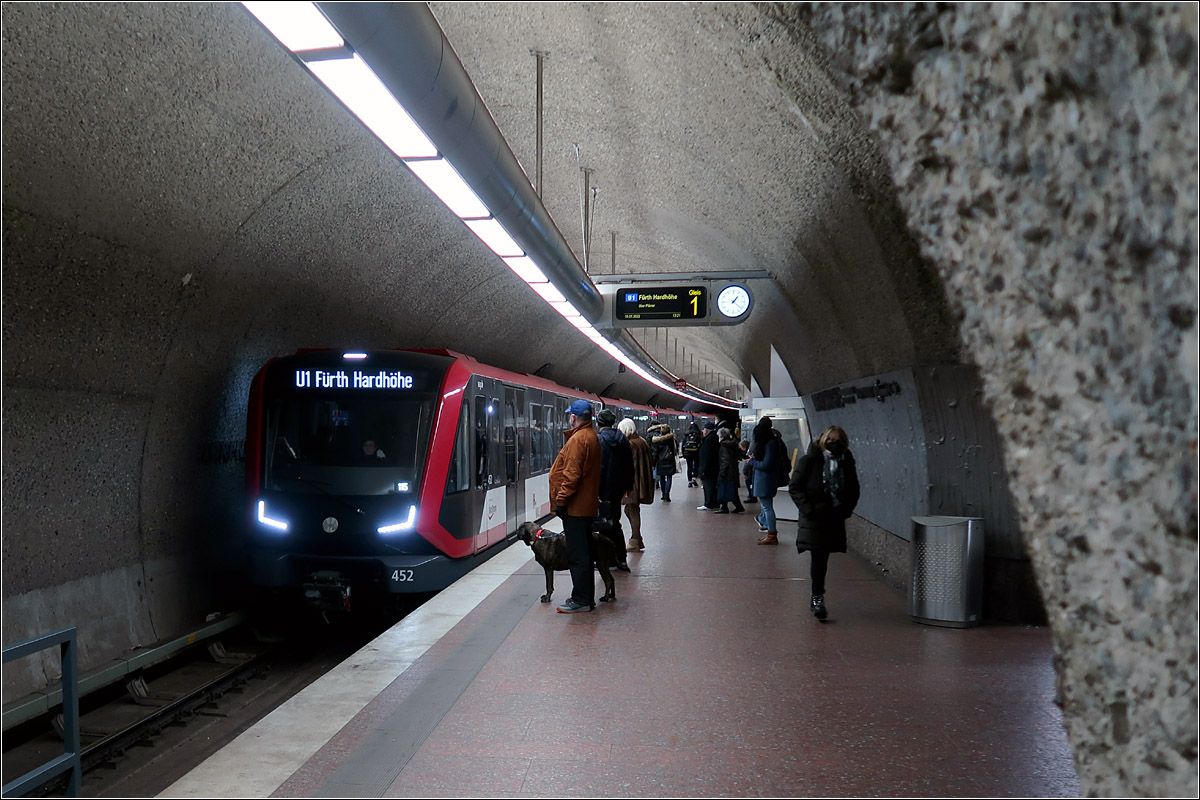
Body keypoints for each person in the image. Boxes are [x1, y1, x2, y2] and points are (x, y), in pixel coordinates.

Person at [789, 425, 860, 619]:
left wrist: (845, 510)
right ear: (823, 440)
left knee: (823, 556)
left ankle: (817, 596)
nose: (833, 443)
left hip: (834, 516)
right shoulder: (810, 460)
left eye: (838, 440)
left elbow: (853, 488)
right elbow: (795, 486)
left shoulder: (846, 462)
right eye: (830, 439)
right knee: (818, 556)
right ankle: (817, 597)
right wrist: (808, 509)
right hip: (814, 517)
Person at [548, 399, 603, 613]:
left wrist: (561, 502)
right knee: (584, 553)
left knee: (578, 555)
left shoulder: (579, 440)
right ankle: (585, 597)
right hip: (585, 505)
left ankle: (580, 599)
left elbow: (571, 476)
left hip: (576, 508)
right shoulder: (591, 436)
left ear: (574, 417)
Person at [596, 408, 634, 572]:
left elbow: (600, 467)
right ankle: (620, 558)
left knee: (605, 524)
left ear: (598, 423)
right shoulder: (623, 440)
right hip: (618, 488)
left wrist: (596, 490)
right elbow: (629, 466)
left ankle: (610, 559)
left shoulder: (599, 440)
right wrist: (628, 487)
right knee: (614, 522)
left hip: (604, 488)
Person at [618, 418, 654, 551]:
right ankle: (638, 539)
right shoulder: (642, 442)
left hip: (633, 483)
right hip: (642, 482)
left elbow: (628, 466)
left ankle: (635, 541)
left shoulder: (630, 444)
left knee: (632, 511)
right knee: (631, 510)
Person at [748, 417, 785, 544]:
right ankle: (770, 533)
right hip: (766, 480)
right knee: (767, 507)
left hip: (765, 480)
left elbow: (766, 464)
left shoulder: (769, 444)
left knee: (767, 507)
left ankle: (772, 534)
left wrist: (752, 461)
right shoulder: (772, 442)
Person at [715, 427, 747, 513]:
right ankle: (737, 506)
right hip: (733, 470)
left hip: (727, 472)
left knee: (724, 488)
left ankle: (724, 507)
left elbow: (725, 460)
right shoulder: (732, 443)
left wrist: (722, 472)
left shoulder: (724, 445)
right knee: (732, 490)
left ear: (721, 436)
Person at [695, 421, 720, 510]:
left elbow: (707, 456)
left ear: (707, 431)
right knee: (712, 486)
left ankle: (708, 503)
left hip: (709, 469)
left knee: (708, 486)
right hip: (712, 468)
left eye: (704, 430)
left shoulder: (709, 440)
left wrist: (704, 469)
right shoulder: (713, 438)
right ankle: (714, 503)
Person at [649, 424, 678, 501]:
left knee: (662, 477)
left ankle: (663, 493)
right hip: (670, 460)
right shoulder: (672, 439)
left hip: (661, 461)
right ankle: (667, 494)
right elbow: (676, 450)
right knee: (669, 477)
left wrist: (653, 464)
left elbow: (655, 453)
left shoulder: (657, 440)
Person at [681, 423, 702, 487]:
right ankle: (694, 479)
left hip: (688, 453)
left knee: (689, 467)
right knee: (696, 466)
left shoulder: (687, 434)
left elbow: (683, 445)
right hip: (696, 453)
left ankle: (689, 481)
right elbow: (701, 444)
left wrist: (683, 453)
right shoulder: (698, 435)